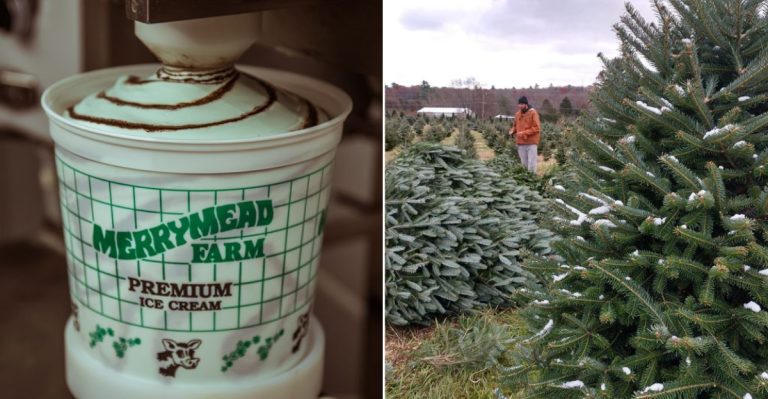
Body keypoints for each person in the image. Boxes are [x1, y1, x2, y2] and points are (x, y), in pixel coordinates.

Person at [509, 96, 541, 173]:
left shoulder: (533, 113)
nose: (520, 106)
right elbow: (515, 126)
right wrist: (512, 131)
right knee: (524, 165)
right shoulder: (517, 114)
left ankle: (532, 181)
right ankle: (526, 181)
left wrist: (523, 133)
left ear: (526, 104)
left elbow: (536, 128)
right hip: (521, 143)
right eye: (519, 104)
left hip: (531, 143)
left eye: (522, 104)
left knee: (531, 164)